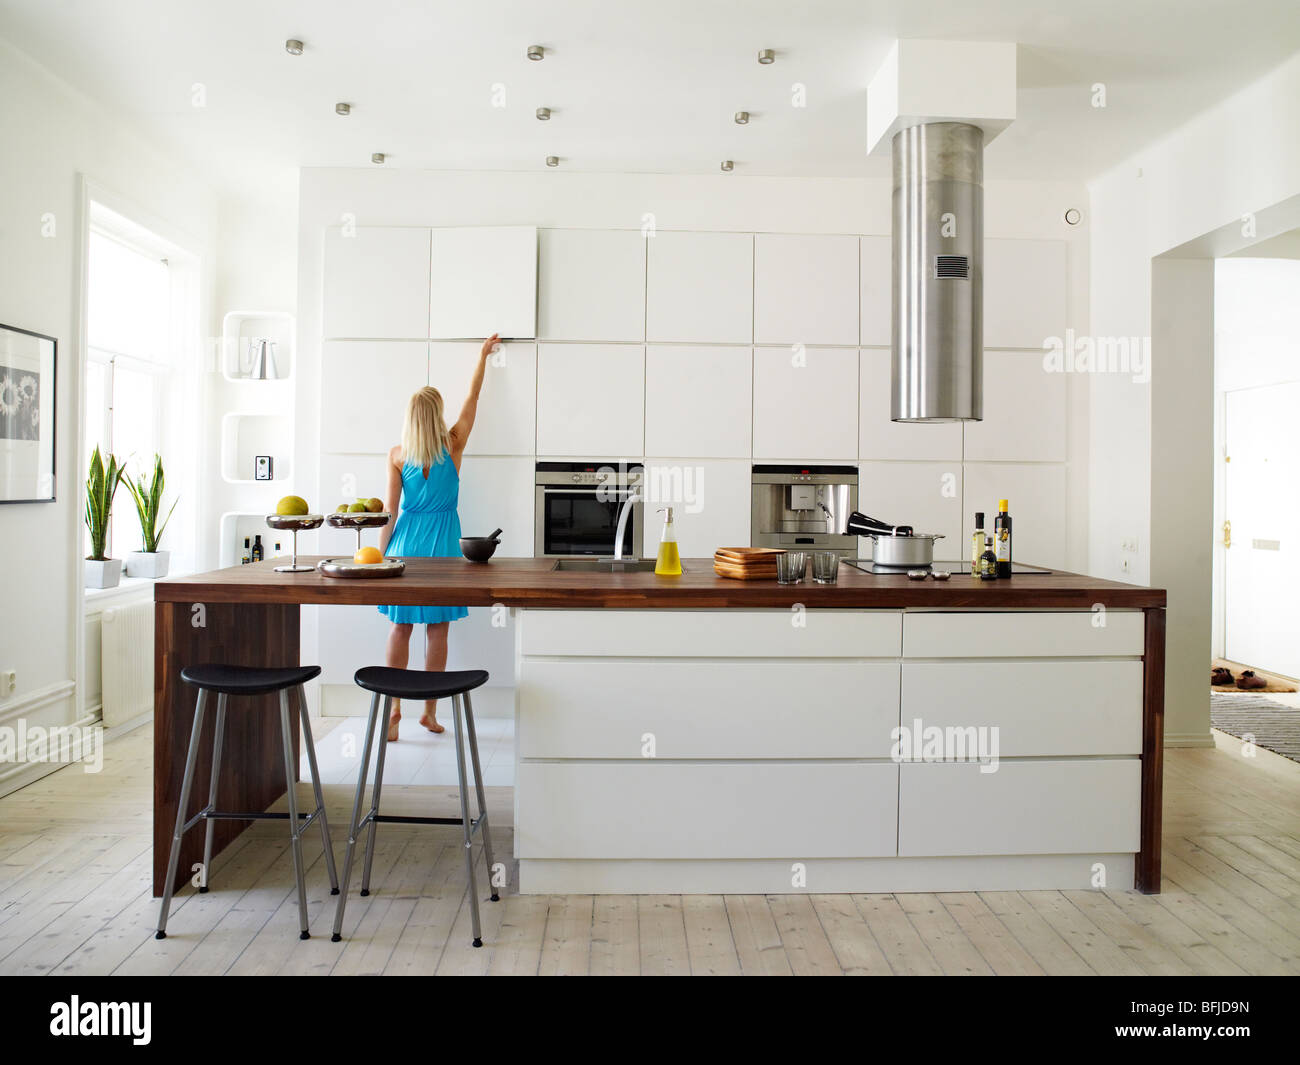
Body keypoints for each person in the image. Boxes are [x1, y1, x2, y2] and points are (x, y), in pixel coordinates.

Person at [377, 333, 498, 741]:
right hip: (444, 546)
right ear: (437, 415)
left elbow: (390, 513)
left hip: (406, 547)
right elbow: (474, 397)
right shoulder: (454, 444)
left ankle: (393, 710)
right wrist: (482, 357)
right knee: (438, 630)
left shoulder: (397, 454)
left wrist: (379, 555)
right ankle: (428, 712)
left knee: (400, 627)